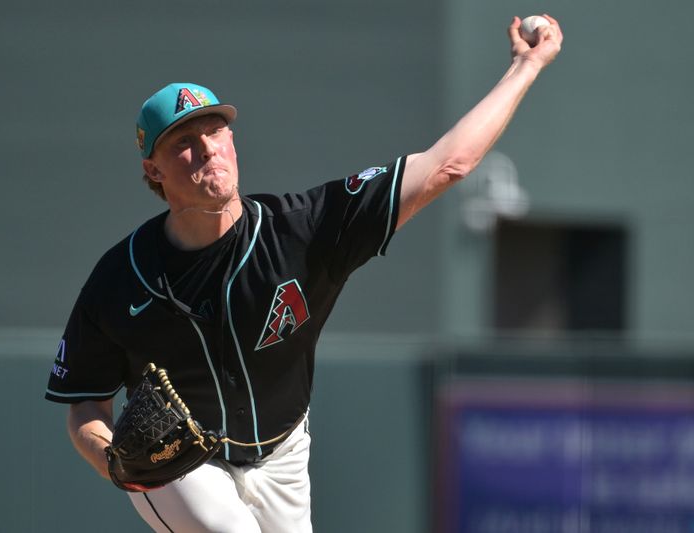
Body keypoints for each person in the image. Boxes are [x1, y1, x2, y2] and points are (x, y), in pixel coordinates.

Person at [45, 15, 562, 533]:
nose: (207, 148)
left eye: (215, 130)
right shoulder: (120, 277)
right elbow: (84, 402)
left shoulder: (302, 231)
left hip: (284, 451)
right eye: (183, 141)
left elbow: (447, 164)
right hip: (179, 466)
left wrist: (525, 65)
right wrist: (112, 456)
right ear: (152, 170)